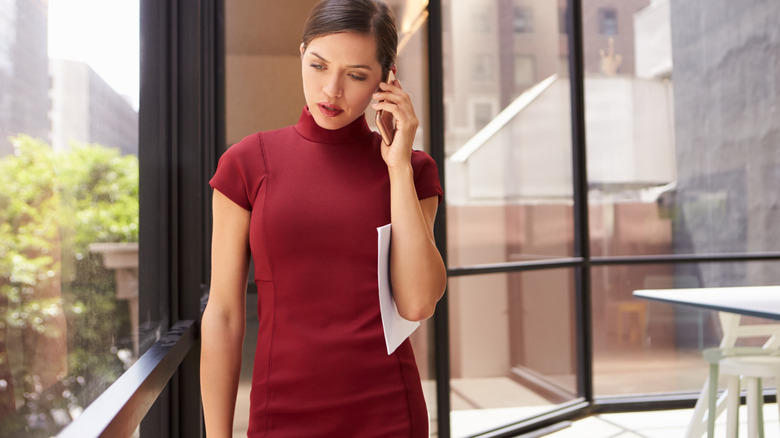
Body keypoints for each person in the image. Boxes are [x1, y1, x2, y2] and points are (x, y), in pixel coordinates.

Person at [200, 0, 446, 436]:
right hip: (281, 412)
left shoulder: (413, 170)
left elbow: (417, 302)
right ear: (301, 54)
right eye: (318, 66)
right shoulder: (247, 163)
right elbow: (223, 315)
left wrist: (399, 166)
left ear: (387, 79)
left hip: (388, 414)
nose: (331, 91)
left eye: (355, 75)